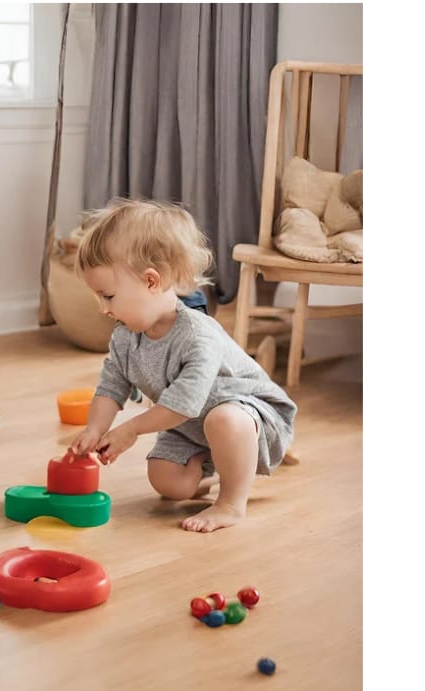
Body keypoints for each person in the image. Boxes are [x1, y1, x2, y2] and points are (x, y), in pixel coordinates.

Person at [68, 198, 297, 532]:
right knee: (169, 484)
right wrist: (94, 429)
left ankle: (231, 503)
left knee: (224, 420)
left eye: (109, 296)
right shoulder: (125, 337)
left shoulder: (197, 334)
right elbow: (111, 386)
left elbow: (183, 403)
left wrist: (131, 429)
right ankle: (223, 464)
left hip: (250, 416)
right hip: (191, 427)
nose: (103, 308)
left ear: (151, 281)